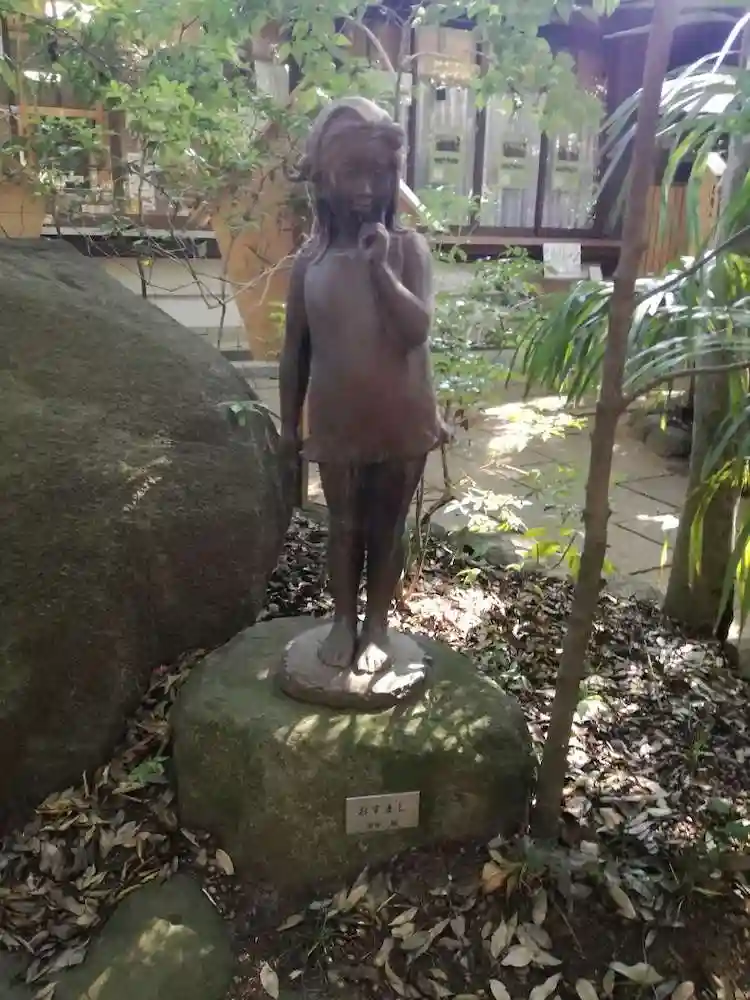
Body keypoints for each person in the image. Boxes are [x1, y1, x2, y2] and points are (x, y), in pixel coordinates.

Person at [280, 96, 444, 674]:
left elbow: (415, 330)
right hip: (338, 420)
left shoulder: (408, 250)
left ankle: (377, 623)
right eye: (353, 172)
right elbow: (294, 352)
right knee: (344, 525)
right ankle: (344, 619)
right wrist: (288, 427)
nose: (367, 188)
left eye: (379, 173)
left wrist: (380, 269)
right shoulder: (311, 262)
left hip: (403, 417)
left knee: (387, 526)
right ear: (323, 177)